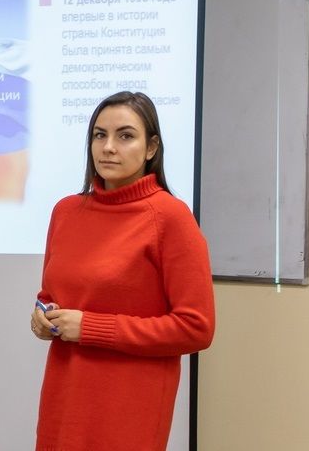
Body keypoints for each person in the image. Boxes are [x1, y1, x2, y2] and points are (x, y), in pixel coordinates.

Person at [30, 91, 215, 451]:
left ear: (151, 148)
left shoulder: (170, 218)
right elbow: (52, 294)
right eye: (99, 135)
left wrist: (90, 327)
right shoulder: (66, 212)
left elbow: (196, 328)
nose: (108, 147)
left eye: (125, 136)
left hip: (128, 409)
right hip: (63, 399)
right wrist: (43, 315)